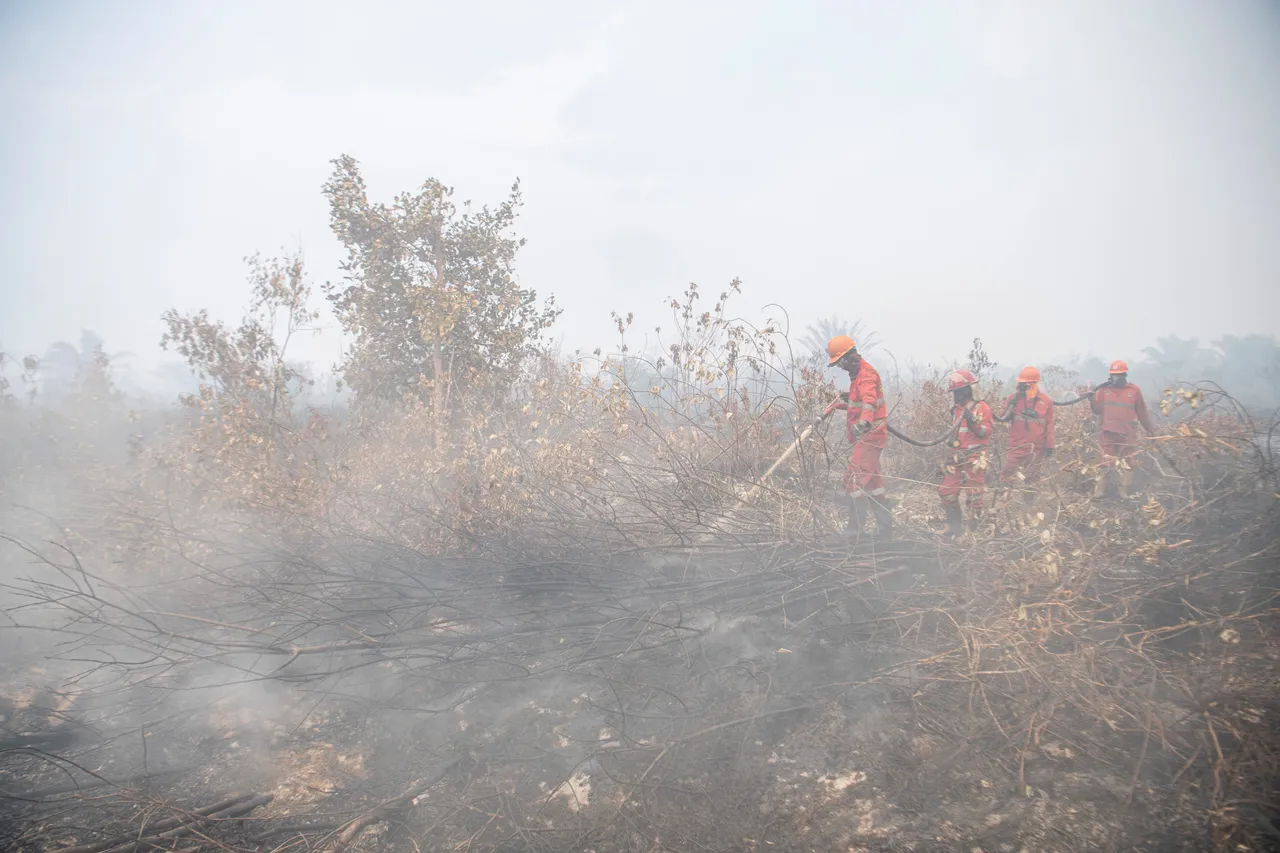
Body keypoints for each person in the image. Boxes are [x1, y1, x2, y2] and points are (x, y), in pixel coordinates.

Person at [827, 335, 892, 541]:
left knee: (854, 480)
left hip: (870, 436)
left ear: (849, 357)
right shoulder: (856, 377)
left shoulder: (866, 374)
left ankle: (855, 530)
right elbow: (859, 403)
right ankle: (885, 531)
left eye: (840, 362)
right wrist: (840, 404)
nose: (841, 367)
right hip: (867, 436)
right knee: (874, 485)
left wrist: (864, 422)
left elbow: (869, 402)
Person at [938, 369, 993, 541]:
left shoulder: (982, 408)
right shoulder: (955, 410)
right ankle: (954, 527)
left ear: (969, 390)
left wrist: (972, 422)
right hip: (956, 456)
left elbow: (985, 432)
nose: (957, 395)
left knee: (974, 495)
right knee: (946, 491)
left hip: (975, 457)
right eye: (955, 392)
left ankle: (971, 533)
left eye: (960, 391)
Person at [1090, 360, 1156, 499]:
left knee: (1128, 463)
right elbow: (1097, 410)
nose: (1116, 378)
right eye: (1114, 375)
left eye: (1119, 375)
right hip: (1108, 432)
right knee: (1104, 462)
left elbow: (1142, 413)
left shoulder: (1134, 391)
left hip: (1128, 434)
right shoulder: (1103, 390)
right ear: (1110, 376)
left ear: (1125, 375)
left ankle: (1123, 492)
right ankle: (1099, 491)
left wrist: (1151, 431)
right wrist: (1091, 399)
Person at [998, 366, 1055, 503]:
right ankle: (1003, 503)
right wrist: (1009, 406)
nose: (1023, 386)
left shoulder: (1046, 401)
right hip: (1016, 445)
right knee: (1007, 473)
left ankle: (1028, 508)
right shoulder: (1013, 398)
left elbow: (1050, 425)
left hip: (1036, 448)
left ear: (1033, 383)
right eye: (1021, 383)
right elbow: (1002, 417)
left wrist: (1050, 446)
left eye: (1026, 383)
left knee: (1032, 478)